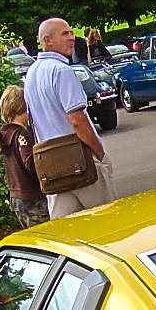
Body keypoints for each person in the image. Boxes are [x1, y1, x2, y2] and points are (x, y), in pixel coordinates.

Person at [24, 17, 116, 217]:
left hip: (52, 165)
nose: (72, 38)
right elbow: (77, 119)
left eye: (72, 33)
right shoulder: (61, 70)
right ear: (47, 41)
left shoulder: (31, 74)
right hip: (79, 159)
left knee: (68, 231)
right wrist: (99, 153)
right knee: (108, 220)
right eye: (65, 34)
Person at [0, 85, 49, 229]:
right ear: (20, 108)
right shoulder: (22, 134)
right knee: (44, 235)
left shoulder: (3, 133)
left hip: (16, 195)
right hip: (32, 195)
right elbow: (30, 163)